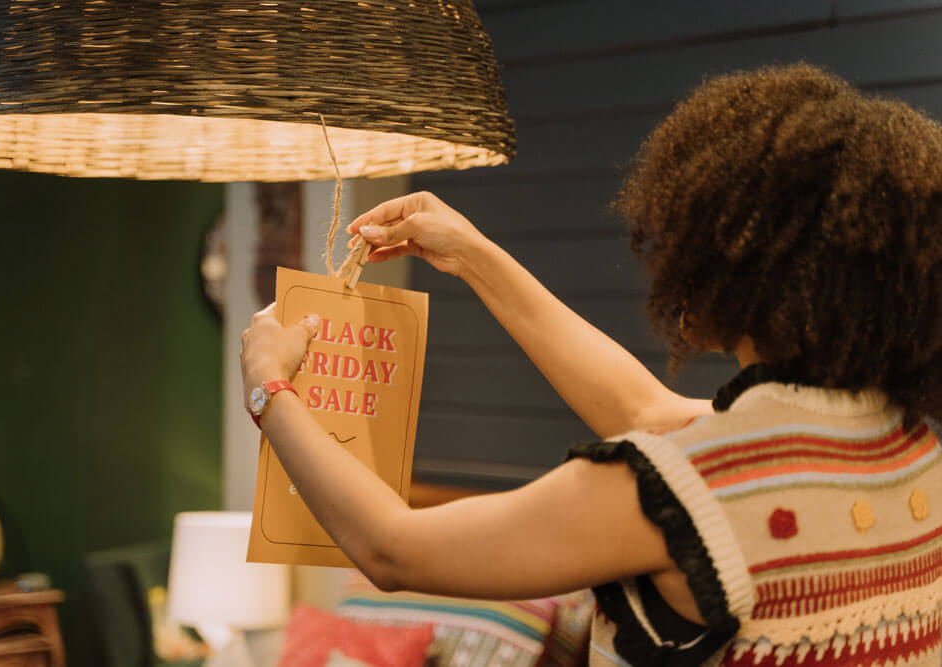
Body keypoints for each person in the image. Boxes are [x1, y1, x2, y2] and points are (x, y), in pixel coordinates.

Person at [240, 64, 942, 666]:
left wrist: (270, 387)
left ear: (738, 259)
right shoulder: (904, 445)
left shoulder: (677, 492)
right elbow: (647, 409)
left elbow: (394, 549)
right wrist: (472, 255)